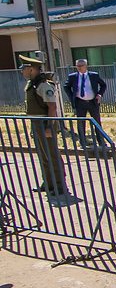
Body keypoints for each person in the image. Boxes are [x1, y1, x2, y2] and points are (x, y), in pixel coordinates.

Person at [20, 54, 68, 198]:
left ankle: (60, 185)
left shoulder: (44, 85)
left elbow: (52, 107)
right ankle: (48, 183)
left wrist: (49, 126)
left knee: (52, 154)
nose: (22, 72)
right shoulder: (33, 84)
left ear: (31, 69)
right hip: (36, 123)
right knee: (43, 155)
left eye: (24, 68)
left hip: (45, 123)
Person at [63, 58, 107, 149]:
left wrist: (99, 94)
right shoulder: (73, 77)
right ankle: (83, 143)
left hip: (92, 102)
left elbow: (103, 85)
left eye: (81, 65)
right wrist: (72, 97)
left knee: (97, 122)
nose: (79, 67)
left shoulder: (94, 75)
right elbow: (66, 87)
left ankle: (101, 142)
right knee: (81, 123)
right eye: (77, 66)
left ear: (86, 66)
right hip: (80, 102)